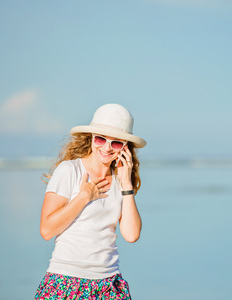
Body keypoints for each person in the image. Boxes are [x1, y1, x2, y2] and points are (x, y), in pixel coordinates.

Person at [34, 103, 146, 300]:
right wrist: (83, 197)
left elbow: (131, 235)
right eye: (101, 139)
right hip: (66, 281)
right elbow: (47, 230)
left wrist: (127, 183)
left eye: (116, 143)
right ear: (92, 138)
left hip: (110, 285)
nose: (107, 148)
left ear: (125, 147)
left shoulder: (121, 181)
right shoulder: (70, 170)